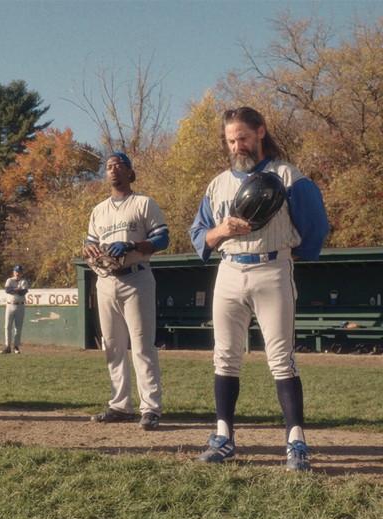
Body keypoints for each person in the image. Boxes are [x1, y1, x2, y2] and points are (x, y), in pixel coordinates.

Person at [189, 106, 329, 471]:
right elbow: (199, 234)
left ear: (261, 133)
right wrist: (221, 232)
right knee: (225, 356)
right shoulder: (218, 183)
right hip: (229, 270)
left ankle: (295, 441)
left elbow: (316, 224)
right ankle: (223, 437)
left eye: (244, 138)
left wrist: (292, 254)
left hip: (271, 268)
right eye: (232, 140)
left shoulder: (287, 175)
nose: (238, 146)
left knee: (281, 358)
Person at [83, 152, 169, 431]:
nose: (112, 170)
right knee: (113, 346)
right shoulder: (99, 210)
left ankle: (151, 408)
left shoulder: (143, 203)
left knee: (142, 346)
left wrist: (132, 245)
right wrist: (90, 251)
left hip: (137, 279)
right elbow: (89, 243)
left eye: (118, 165)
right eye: (108, 167)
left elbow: (163, 238)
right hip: (106, 280)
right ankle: (120, 405)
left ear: (129, 172)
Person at [0, 265, 28, 354]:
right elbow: (7, 290)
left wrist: (14, 290)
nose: (17, 273)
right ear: (13, 272)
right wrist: (17, 289)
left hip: (20, 306)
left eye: (19, 271)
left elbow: (23, 292)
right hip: (10, 305)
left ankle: (16, 347)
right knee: (7, 326)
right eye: (16, 271)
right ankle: (7, 346)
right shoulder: (9, 280)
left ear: (21, 272)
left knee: (18, 327)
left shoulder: (24, 281)